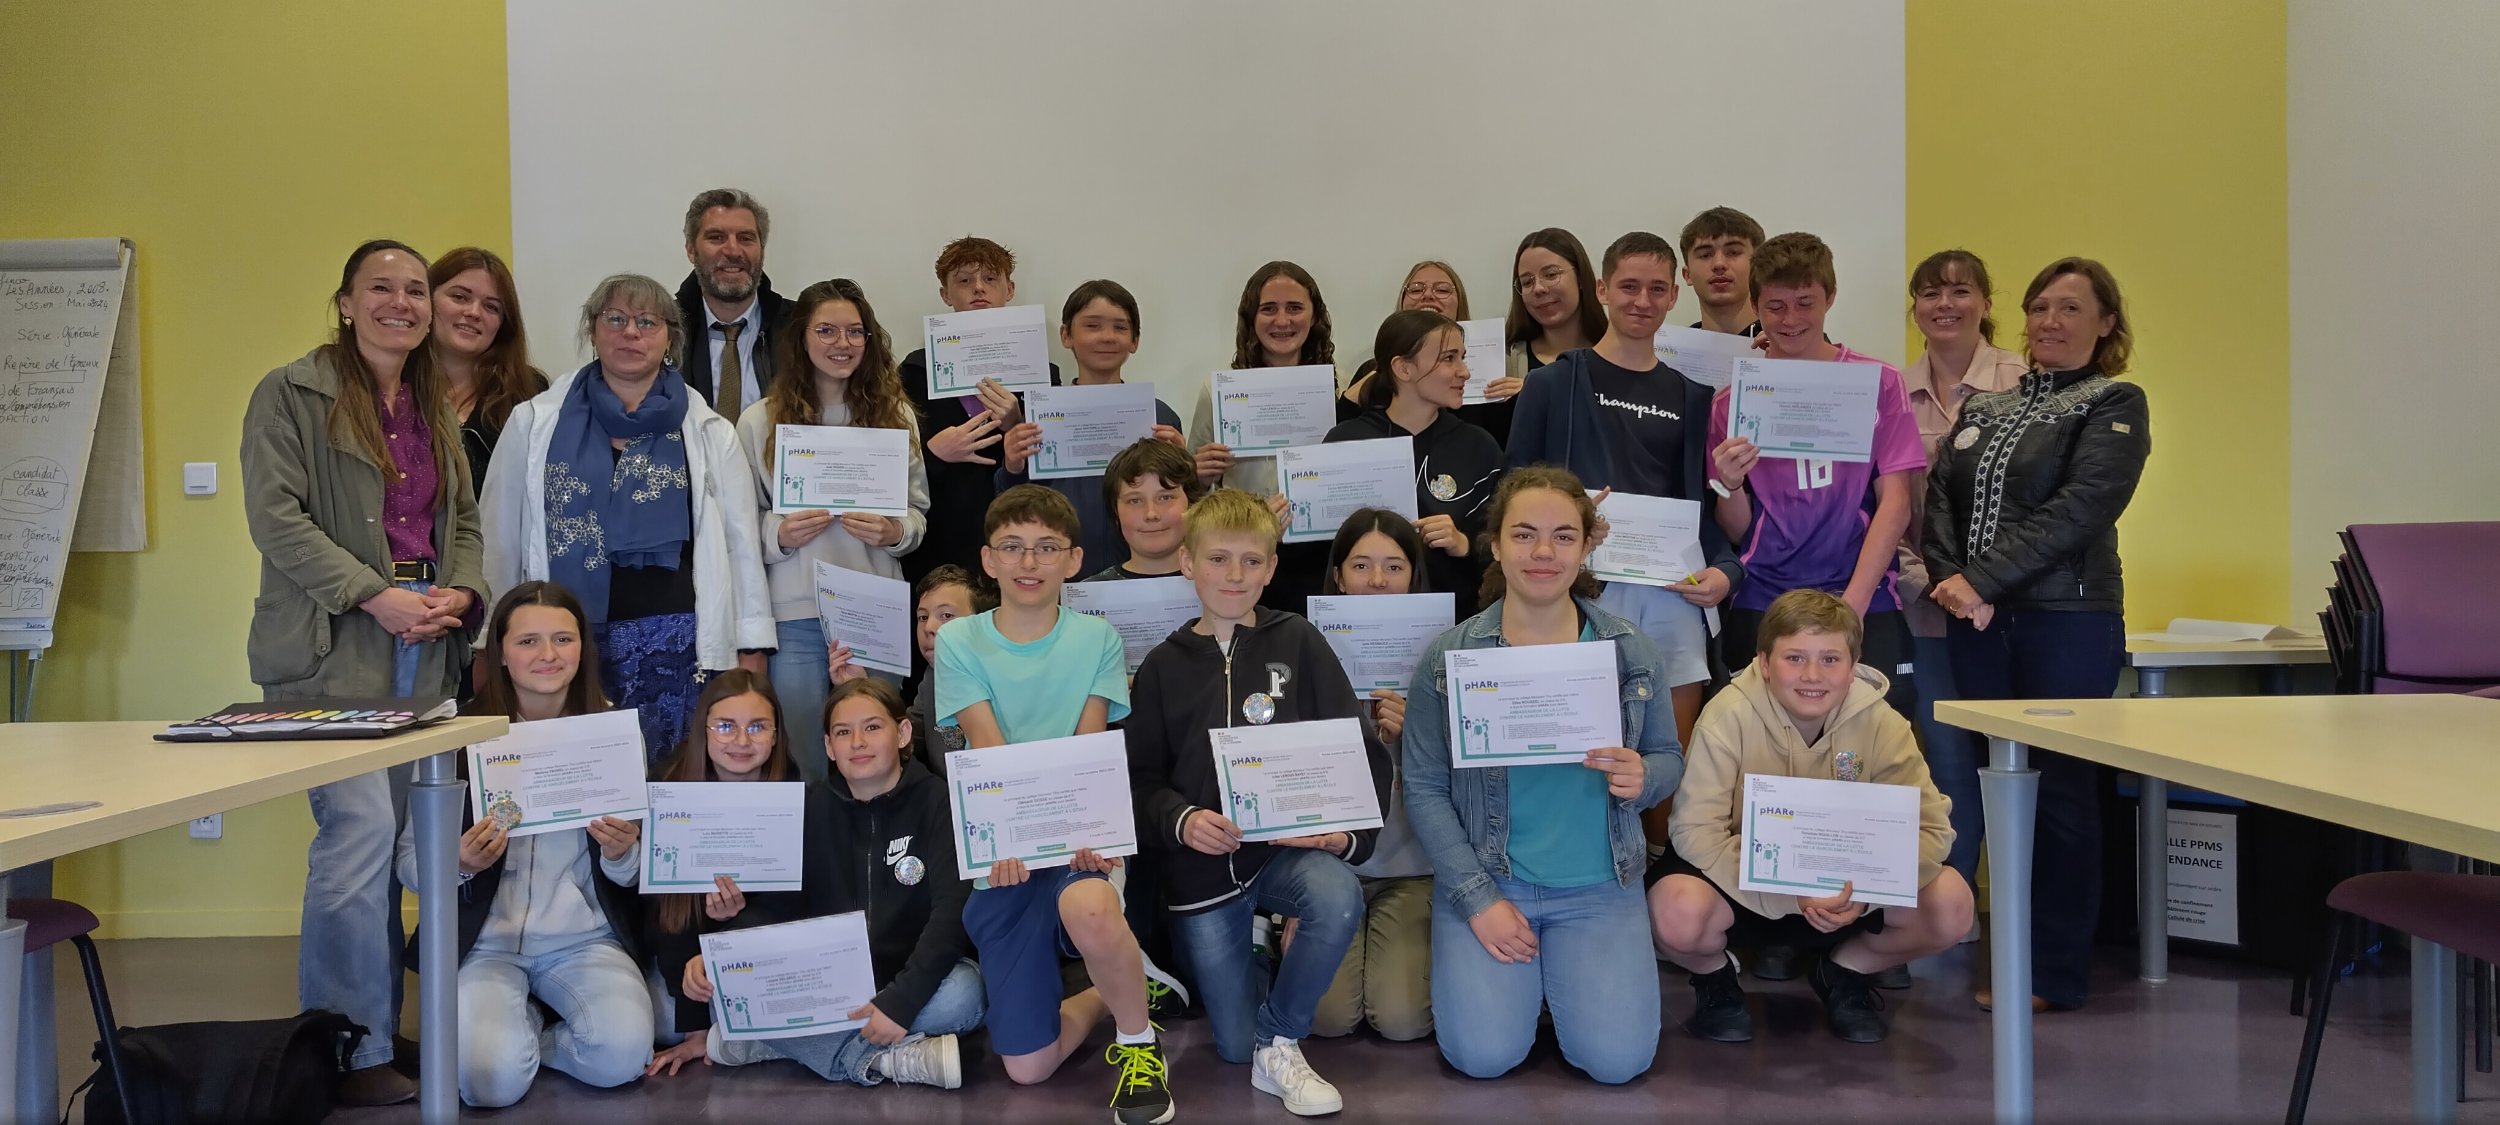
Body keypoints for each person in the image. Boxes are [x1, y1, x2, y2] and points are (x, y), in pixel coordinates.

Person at [241, 238, 483, 1106]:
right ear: (345, 302)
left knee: (397, 845)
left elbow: (463, 521)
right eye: (381, 287)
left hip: (424, 643)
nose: (401, 303)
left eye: (416, 289)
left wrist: (463, 590)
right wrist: (374, 595)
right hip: (331, 647)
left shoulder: (432, 402)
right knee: (356, 838)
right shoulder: (289, 392)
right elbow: (277, 520)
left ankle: (372, 1030)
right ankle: (343, 1051)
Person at [1401, 468, 1685, 1084]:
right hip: (1492, 879)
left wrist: (1645, 776)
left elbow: (1668, 756)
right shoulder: (1449, 658)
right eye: (1524, 534)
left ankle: (1562, 986)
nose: (1543, 552)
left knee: (1617, 1063)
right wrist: (1478, 900)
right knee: (1482, 1058)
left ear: (1585, 548)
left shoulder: (1630, 650)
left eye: (1563, 536)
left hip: (1600, 886)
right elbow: (1424, 788)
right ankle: (1541, 989)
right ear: (1496, 545)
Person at [1925, 256, 2151, 1013]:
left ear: (2106, 323)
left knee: (2059, 794)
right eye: (2040, 307)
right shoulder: (1987, 408)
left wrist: (1983, 582)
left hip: (2068, 625)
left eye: (2071, 308)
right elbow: (1940, 502)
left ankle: (2054, 972)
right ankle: (2007, 954)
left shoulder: (2114, 401)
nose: (2050, 321)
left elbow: (2083, 506)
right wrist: (1957, 587)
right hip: (1978, 626)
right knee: (1998, 791)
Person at [1124, 489, 1390, 1116]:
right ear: (1187, 563)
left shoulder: (1298, 641)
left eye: (1251, 561)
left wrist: (1345, 835)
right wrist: (1182, 821)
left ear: (1271, 568)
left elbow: (1357, 748)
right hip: (1202, 875)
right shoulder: (1162, 666)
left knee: (1335, 893)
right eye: (1218, 559)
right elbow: (1138, 782)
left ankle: (1282, 1040)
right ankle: (1260, 974)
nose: (1234, 575)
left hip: (1282, 855)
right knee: (1233, 1046)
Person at [934, 485, 1174, 1122]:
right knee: (1028, 1068)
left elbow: (1086, 748)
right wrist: (1009, 840)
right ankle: (1119, 986)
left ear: (1073, 560)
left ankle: (1138, 1045)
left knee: (1089, 906)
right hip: (1005, 850)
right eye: (1012, 547)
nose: (1028, 562)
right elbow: (987, 749)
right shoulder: (958, 641)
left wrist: (1081, 834)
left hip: (1077, 838)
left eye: (1046, 548)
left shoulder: (1097, 638)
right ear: (988, 560)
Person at [1649, 590, 1972, 1044]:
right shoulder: (1726, 716)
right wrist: (1793, 893)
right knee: (1675, 911)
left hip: (1850, 889)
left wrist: (1865, 892)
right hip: (1748, 887)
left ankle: (1844, 969)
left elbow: (1932, 828)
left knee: (1951, 904)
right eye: (1795, 658)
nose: (1812, 675)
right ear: (1764, 663)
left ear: (1854, 665)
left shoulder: (1882, 722)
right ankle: (1715, 979)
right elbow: (1694, 831)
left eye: (1830, 659)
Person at [480, 273, 773, 761]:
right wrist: (487, 640)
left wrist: (752, 644)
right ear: (592, 331)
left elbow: (741, 545)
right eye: (615, 319)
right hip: (565, 645)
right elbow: (499, 538)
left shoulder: (708, 429)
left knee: (672, 775)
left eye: (646, 322)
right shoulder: (534, 422)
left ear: (669, 338)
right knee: (573, 775)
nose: (630, 332)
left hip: (678, 645)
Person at [398, 581, 651, 1108]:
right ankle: (514, 1028)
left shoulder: (612, 733)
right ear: (500, 653)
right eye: (528, 641)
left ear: (583, 649)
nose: (548, 655)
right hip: (483, 946)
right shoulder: (453, 738)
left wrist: (622, 853)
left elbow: (634, 873)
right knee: (485, 1083)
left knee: (622, 1058)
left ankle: (536, 1036)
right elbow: (409, 863)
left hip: (585, 941)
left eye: (563, 639)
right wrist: (458, 863)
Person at [1505, 231, 1741, 757]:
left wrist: (1728, 569)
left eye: (1657, 289)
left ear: (1674, 296)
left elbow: (1702, 509)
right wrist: (1565, 518)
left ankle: (1661, 821)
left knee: (1668, 757)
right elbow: (1512, 493)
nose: (1642, 301)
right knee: (1580, 749)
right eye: (1629, 286)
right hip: (1581, 587)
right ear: (1603, 289)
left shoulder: (1694, 398)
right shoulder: (1551, 385)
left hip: (1672, 592)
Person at [684, 677, 985, 1088]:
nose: (857, 742)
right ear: (828, 747)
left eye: (872, 727)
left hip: (913, 975)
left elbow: (952, 913)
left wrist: (901, 1000)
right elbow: (774, 908)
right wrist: (722, 952)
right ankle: (888, 1061)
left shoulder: (938, 802)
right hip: (829, 986)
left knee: (964, 994)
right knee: (725, 994)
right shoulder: (810, 809)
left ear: (902, 733)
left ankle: (775, 1045)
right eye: (843, 733)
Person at [1704, 232, 1922, 720]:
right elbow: (1737, 530)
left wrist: (1853, 606)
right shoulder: (1731, 401)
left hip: (1863, 595)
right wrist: (1730, 485)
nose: (1791, 319)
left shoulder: (1879, 382)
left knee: (1872, 744)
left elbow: (1897, 503)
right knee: (1762, 743)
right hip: (1764, 597)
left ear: (1831, 297)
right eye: (1776, 306)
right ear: (1755, 306)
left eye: (1805, 303)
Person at [742, 278, 929, 775]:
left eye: (854, 331)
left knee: (878, 752)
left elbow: (917, 515)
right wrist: (778, 534)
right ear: (801, 338)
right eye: (826, 330)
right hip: (795, 613)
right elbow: (740, 525)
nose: (841, 343)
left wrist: (894, 533)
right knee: (806, 755)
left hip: (875, 608)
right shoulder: (759, 422)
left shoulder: (896, 416)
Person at [1898, 249, 2026, 887]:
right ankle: (1957, 908)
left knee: (2021, 763)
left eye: (1959, 291)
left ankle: (2023, 911)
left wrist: (1988, 583)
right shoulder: (1892, 392)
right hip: (1928, 611)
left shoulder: (2025, 381)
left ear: (1986, 302)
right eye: (1930, 293)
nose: (1944, 304)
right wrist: (1932, 585)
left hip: (2015, 611)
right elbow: (1886, 510)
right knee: (1947, 765)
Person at [1309, 508, 1436, 1043]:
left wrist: (1420, 732)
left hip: (1411, 868)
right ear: (1338, 576)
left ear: (1413, 577)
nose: (1378, 580)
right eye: (1361, 565)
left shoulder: (1446, 651)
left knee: (1402, 1021)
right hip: (1327, 863)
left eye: (1394, 567)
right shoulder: (1301, 649)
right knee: (1327, 1019)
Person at [640, 670, 800, 1075]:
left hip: (756, 953)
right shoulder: (670, 786)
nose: (742, 741)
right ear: (704, 731)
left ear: (776, 735)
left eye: (758, 727)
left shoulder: (792, 790)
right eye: (726, 726)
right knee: (660, 1024)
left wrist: (735, 924)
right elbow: (668, 911)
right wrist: (694, 1030)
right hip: (683, 957)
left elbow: (792, 906)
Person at [900, 236, 1063, 587]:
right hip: (941, 540)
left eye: (990, 278)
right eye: (963, 280)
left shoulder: (1042, 374)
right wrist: (932, 453)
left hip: (1020, 538)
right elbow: (895, 469)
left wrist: (1016, 423)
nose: (978, 288)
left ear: (1010, 289)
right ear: (945, 294)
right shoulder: (915, 372)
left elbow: (1056, 466)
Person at [999, 280, 1189, 572]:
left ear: (1135, 341)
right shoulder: (1038, 419)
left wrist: (1185, 468)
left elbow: (1184, 505)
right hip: (1060, 568)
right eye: (1092, 326)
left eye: (1120, 327)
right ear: (1066, 335)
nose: (1107, 337)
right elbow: (1010, 505)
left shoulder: (1160, 417)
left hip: (1145, 570)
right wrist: (1012, 467)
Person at [1327, 309, 1503, 616]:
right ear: (1403, 368)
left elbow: (1508, 542)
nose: (1464, 372)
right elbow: (1320, 551)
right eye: (1449, 359)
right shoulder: (1345, 442)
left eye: (1462, 358)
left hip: (1457, 623)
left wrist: (1463, 543)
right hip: (1361, 625)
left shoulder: (1479, 447)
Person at [1186, 260, 1337, 499]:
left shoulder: (1340, 388)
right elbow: (1190, 494)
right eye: (1268, 309)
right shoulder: (1215, 392)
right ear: (1251, 318)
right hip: (1241, 522)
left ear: (1314, 316)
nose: (1282, 321)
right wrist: (1199, 478)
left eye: (1294, 308)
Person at [428, 247, 548, 491]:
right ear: (425, 299)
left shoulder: (529, 394)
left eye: (491, 307)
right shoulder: (392, 386)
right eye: (460, 297)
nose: (474, 313)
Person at [674, 187, 791, 417]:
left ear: (762, 250)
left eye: (746, 238)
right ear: (691, 249)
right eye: (716, 237)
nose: (733, 250)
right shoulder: (662, 331)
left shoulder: (800, 328)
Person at [1343, 261, 1498, 432]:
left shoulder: (1490, 369)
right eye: (1416, 290)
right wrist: (1380, 373)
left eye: (1442, 290)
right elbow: (1343, 426)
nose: (1428, 295)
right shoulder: (1372, 370)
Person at [894, 565, 995, 768]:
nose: (929, 627)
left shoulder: (1005, 677)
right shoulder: (932, 677)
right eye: (923, 617)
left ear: (981, 623)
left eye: (946, 615)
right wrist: (855, 685)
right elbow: (904, 743)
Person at [1502, 228, 1607, 418]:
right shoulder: (1507, 362)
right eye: (1527, 282)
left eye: (1551, 275)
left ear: (1580, 278)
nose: (1538, 289)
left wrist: (1538, 390)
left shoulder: (1616, 356)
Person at [1084, 438, 1203, 581]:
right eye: (1135, 501)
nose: (1151, 514)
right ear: (1116, 512)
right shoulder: (1090, 592)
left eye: (1165, 497)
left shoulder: (1221, 585)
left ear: (1192, 506)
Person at [1679, 206, 1766, 335]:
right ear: (1687, 275)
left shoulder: (1785, 343)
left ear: (1758, 268)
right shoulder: (1673, 346)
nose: (1719, 264)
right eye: (1705, 255)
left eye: (1733, 252)